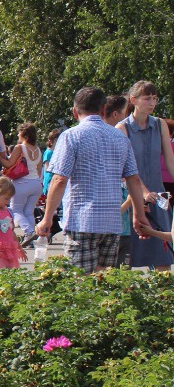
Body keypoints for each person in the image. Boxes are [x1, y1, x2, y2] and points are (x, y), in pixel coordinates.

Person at [38, 86, 148, 271]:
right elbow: (133, 179)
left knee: (81, 283)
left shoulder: (70, 136)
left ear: (75, 111)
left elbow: (59, 180)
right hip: (112, 222)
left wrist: (47, 218)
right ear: (104, 109)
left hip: (82, 220)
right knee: (103, 282)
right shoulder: (120, 138)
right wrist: (139, 215)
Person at [118, 80, 174, 271]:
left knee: (163, 256)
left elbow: (170, 161)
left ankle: (163, 298)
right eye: (147, 98)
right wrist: (142, 192)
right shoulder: (122, 128)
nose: (152, 102)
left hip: (158, 197)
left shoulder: (159, 125)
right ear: (134, 100)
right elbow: (125, 169)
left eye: (155, 98)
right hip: (131, 197)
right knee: (127, 258)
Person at [3, 123, 43, 247]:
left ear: (24, 134)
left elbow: (9, 164)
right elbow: (39, 169)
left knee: (16, 211)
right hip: (36, 183)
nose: (18, 135)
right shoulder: (38, 150)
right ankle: (32, 240)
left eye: (19, 133)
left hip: (21, 183)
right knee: (29, 212)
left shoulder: (20, 147)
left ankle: (30, 232)